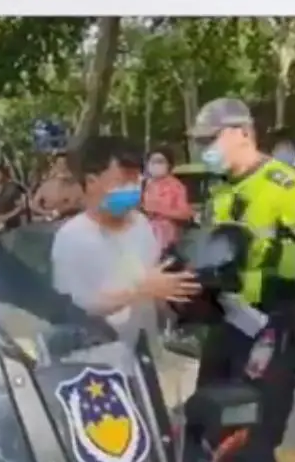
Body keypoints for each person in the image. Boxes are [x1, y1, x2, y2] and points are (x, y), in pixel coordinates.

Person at [189, 97, 295, 462]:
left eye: (210, 139)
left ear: (243, 133)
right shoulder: (219, 190)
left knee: (252, 441)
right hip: (227, 323)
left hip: (275, 328)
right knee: (206, 418)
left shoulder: (284, 186)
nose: (204, 149)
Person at [51, 136, 200, 338]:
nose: (132, 189)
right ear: (92, 182)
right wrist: (138, 291)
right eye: (123, 182)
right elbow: (77, 306)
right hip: (100, 348)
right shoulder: (72, 237)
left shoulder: (141, 224)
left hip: (145, 344)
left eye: (136, 180)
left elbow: (155, 278)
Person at [143, 148, 193, 252]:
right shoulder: (143, 184)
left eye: (160, 161)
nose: (156, 165)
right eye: (153, 162)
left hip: (166, 238)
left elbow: (185, 214)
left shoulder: (176, 186)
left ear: (169, 165)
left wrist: (159, 210)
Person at [30, 151, 84, 221]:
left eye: (65, 164)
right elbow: (34, 205)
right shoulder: (45, 186)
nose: (62, 167)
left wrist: (65, 209)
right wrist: (48, 213)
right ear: (55, 166)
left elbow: (84, 204)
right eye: (60, 164)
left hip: (71, 221)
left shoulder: (76, 186)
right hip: (49, 221)